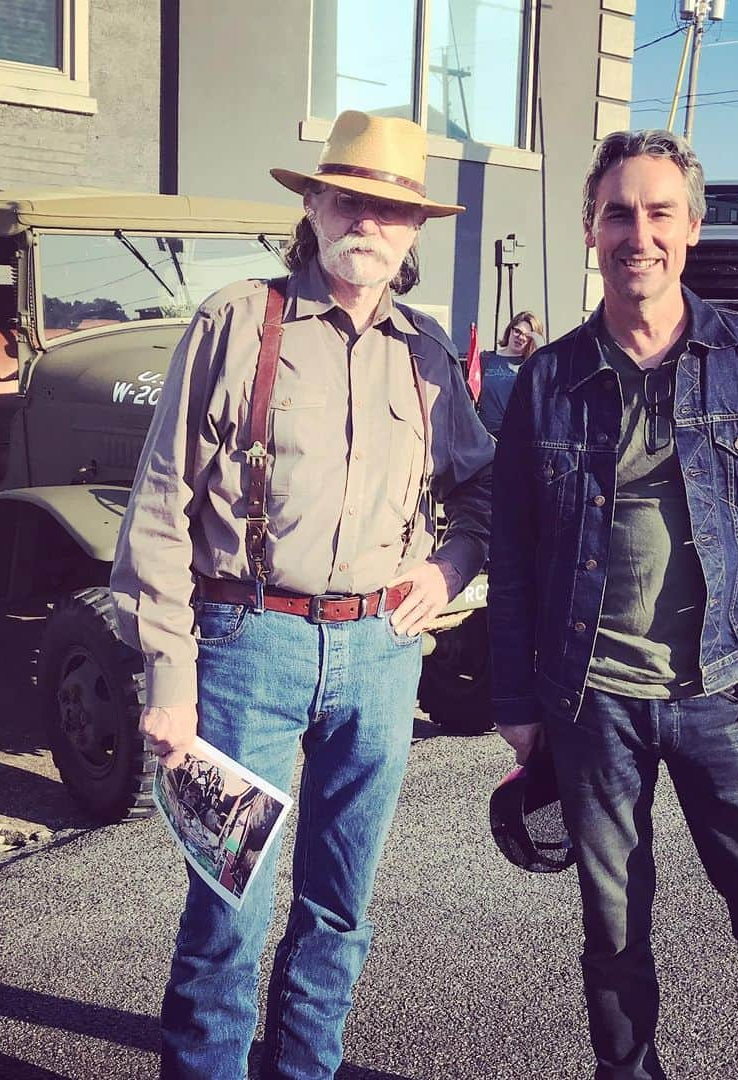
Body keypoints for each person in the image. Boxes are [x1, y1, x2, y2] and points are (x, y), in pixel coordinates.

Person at [110, 109, 493, 1079]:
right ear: (314, 205)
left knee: (339, 910)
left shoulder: (428, 351)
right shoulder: (237, 321)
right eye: (348, 197)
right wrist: (169, 674)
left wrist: (446, 573)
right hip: (248, 649)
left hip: (380, 655)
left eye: (391, 208)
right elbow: (160, 506)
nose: (368, 219)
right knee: (227, 910)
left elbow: (484, 489)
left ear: (413, 232)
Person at [488, 129, 738, 1079]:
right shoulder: (547, 380)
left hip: (729, 696)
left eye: (657, 213)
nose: (635, 234)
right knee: (612, 942)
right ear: (588, 230)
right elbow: (514, 553)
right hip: (592, 701)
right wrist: (517, 705)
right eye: (617, 213)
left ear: (690, 228)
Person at [477, 311, 545, 436]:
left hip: (514, 435)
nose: (521, 337)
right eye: (518, 331)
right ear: (510, 330)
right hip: (484, 434)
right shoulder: (486, 358)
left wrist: (538, 344)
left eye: (527, 335)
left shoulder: (531, 365)